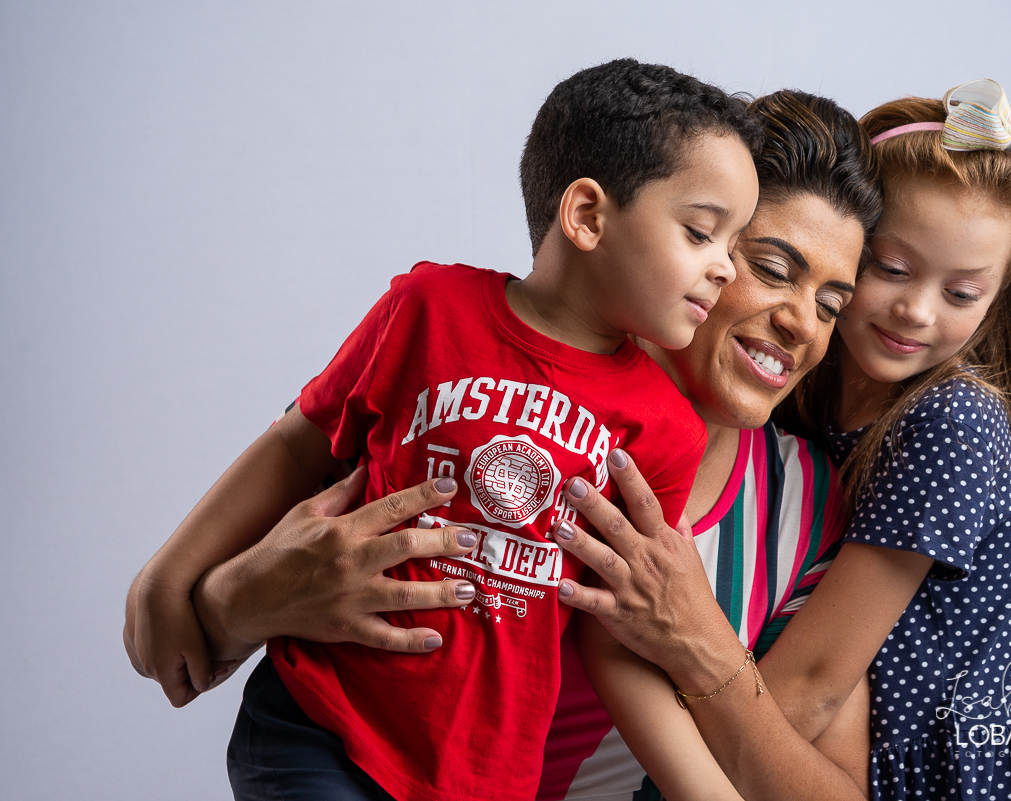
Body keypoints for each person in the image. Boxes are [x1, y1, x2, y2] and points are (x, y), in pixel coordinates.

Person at [125, 88, 885, 800]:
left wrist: (702, 646)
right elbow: (300, 451)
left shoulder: (797, 499)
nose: (801, 323)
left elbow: (627, 654)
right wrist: (210, 593)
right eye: (768, 266)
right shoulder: (452, 325)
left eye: (831, 303)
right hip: (325, 731)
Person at [553, 79, 1011, 801]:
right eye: (888, 270)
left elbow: (810, 684)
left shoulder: (947, 422)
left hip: (956, 774)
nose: (917, 309)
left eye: (961, 294)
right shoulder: (804, 406)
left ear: (996, 302)